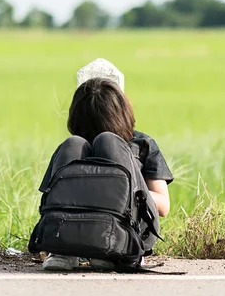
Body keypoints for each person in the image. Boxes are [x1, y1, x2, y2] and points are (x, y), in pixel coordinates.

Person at [39, 77, 173, 271]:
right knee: (72, 144)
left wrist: (130, 191)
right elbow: (50, 197)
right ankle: (62, 250)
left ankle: (121, 250)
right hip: (77, 233)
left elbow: (163, 206)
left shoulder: (141, 144)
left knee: (109, 142)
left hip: (129, 232)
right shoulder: (76, 148)